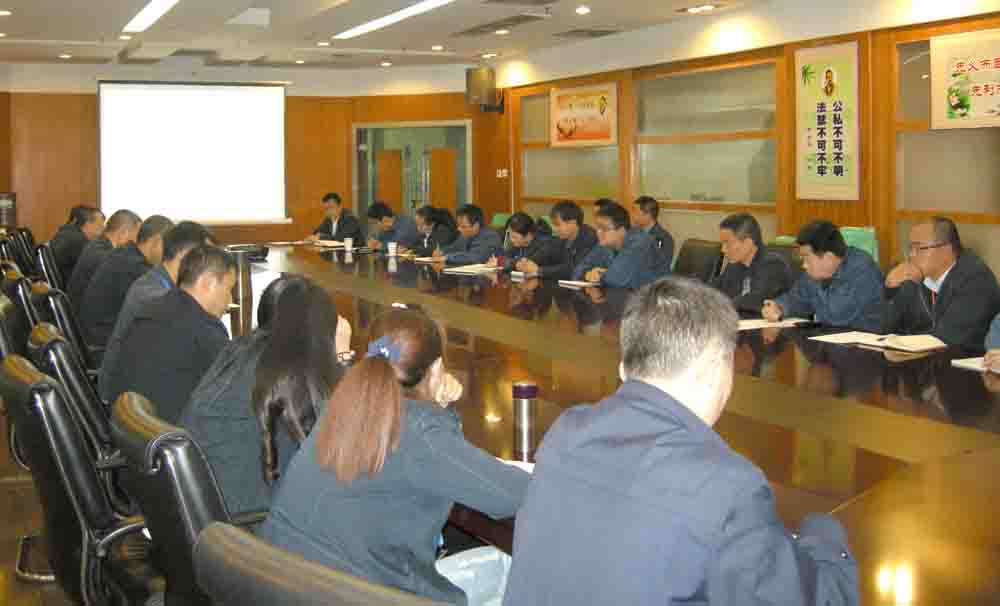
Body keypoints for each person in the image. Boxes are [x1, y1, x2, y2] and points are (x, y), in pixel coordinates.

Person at [502, 277, 858, 606]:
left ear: (623, 370)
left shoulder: (567, 430)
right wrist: (823, 531)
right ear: (716, 371)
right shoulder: (728, 486)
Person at [258, 307, 530, 606]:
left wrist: (436, 410)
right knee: (512, 568)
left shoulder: (340, 405)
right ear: (437, 369)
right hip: (364, 592)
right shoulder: (421, 434)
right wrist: (440, 414)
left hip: (287, 584)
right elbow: (516, 495)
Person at [178, 276, 352, 516]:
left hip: (199, 509)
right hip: (245, 521)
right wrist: (341, 357)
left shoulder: (238, 351)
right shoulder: (293, 374)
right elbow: (345, 435)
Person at [102, 245, 235, 423]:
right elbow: (235, 391)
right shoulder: (205, 329)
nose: (230, 300)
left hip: (129, 428)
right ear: (207, 282)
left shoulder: (151, 309)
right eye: (229, 289)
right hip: (170, 433)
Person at [98, 221, 215, 402]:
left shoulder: (155, 281)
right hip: (127, 403)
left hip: (134, 396)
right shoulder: (154, 296)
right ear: (184, 255)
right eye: (207, 260)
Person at [883, 217, 1000, 350]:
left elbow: (949, 338)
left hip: (964, 359)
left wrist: (900, 341)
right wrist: (891, 289)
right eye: (910, 248)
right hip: (921, 357)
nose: (911, 255)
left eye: (919, 248)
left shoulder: (976, 280)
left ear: (946, 249)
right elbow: (885, 329)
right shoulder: (914, 278)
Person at [762, 220, 883, 331]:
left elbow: (837, 317)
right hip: (832, 339)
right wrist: (779, 307)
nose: (804, 265)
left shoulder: (862, 270)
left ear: (828, 257)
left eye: (807, 258)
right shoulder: (819, 272)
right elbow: (798, 298)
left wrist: (819, 285)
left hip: (864, 342)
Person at [79, 215, 174, 348]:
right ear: (156, 241)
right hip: (102, 343)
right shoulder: (135, 268)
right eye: (168, 247)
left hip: (94, 334)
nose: (169, 255)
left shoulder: (126, 254)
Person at [573, 201, 669, 289]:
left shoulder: (640, 241)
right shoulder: (605, 244)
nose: (598, 232)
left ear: (621, 230)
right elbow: (578, 270)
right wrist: (586, 274)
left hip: (657, 296)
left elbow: (617, 279)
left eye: (604, 228)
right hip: (625, 295)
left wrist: (600, 274)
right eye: (597, 227)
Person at [711, 212, 792, 314]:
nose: (723, 249)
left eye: (728, 243)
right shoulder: (734, 264)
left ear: (748, 243)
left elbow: (754, 300)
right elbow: (714, 289)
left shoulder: (773, 265)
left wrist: (723, 305)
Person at [67, 209, 142, 308]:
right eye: (137, 238)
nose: (137, 244)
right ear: (123, 233)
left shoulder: (98, 245)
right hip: (83, 313)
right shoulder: (104, 256)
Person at [524, 200, 598, 280]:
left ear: (572, 223)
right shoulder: (561, 238)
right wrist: (527, 262)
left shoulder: (589, 239)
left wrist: (540, 271)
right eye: (553, 225)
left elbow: (574, 269)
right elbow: (545, 254)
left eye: (557, 225)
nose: (554, 229)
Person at [487, 212, 566, 274]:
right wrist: (498, 260)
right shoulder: (519, 244)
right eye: (509, 235)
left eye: (514, 237)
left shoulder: (546, 244)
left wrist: (501, 262)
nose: (511, 240)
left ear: (528, 235)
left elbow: (526, 264)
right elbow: (507, 256)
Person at [49, 205, 105, 283]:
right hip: (70, 285)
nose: (103, 228)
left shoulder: (67, 234)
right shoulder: (78, 241)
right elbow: (98, 267)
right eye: (100, 225)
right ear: (87, 223)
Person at [432, 204, 502, 265]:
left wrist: (447, 257)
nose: (459, 229)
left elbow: (474, 257)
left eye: (463, 227)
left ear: (476, 225)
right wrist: (442, 252)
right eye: (458, 225)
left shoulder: (490, 237)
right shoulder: (466, 235)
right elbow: (454, 248)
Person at [633, 196, 675, 269]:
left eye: (635, 212)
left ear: (647, 215)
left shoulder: (662, 238)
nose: (632, 215)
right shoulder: (634, 232)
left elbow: (658, 265)